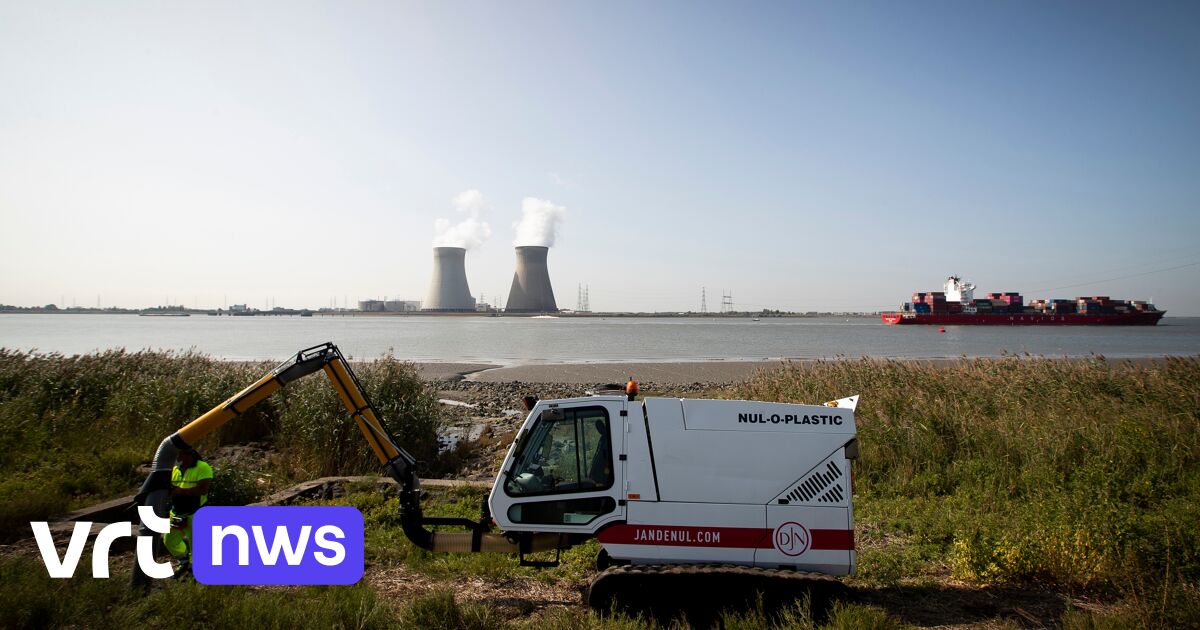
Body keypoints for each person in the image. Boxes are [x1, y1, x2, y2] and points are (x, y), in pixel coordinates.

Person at [163, 448, 212, 577]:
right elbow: (169, 489)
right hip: (177, 512)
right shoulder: (175, 469)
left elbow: (203, 490)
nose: (178, 458)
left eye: (181, 455)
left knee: (196, 544)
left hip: (195, 512)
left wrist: (180, 491)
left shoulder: (202, 467)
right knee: (169, 540)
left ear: (189, 455)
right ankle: (184, 560)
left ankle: (194, 571)